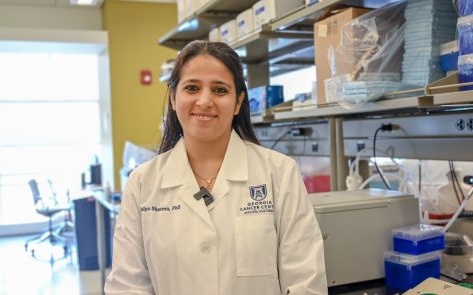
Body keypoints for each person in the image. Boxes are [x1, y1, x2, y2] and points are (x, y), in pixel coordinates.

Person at [105, 40, 327, 295]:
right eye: (192, 87)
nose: (205, 100)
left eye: (220, 90)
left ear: (237, 102)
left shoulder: (279, 173)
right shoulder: (143, 183)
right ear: (173, 98)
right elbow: (127, 286)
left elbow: (305, 281)